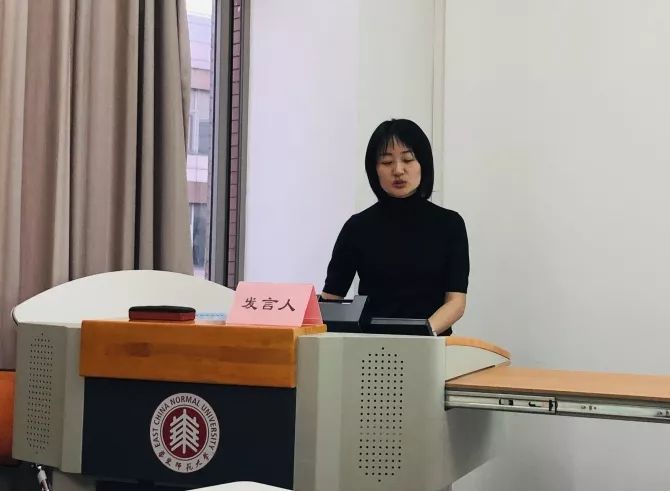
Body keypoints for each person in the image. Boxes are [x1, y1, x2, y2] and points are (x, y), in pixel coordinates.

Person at [321, 119, 469, 335]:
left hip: (430, 344)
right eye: (387, 162)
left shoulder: (450, 224)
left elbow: (456, 302)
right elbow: (331, 300)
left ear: (423, 164)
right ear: (374, 169)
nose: (398, 170)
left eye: (408, 159)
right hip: (368, 346)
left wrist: (422, 334)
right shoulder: (357, 227)